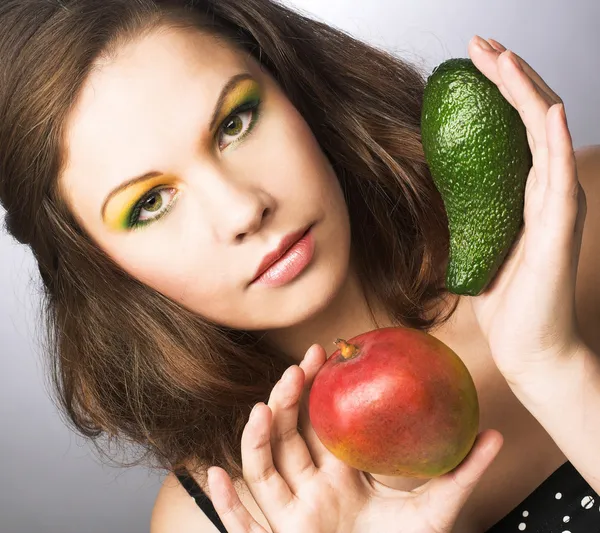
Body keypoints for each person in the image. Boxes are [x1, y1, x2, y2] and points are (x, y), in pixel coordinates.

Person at [1, 0, 599, 531]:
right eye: (150, 204)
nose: (243, 208)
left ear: (293, 87)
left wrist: (553, 367)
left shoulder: (584, 224)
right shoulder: (216, 520)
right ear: (100, 267)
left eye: (234, 123)